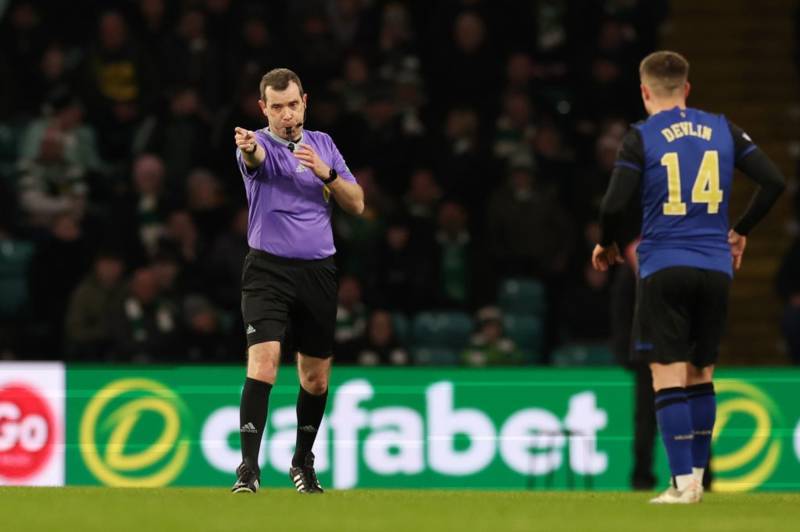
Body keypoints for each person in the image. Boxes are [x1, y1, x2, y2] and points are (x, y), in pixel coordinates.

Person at [592, 51, 785, 504]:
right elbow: (774, 181)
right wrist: (739, 232)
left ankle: (683, 485)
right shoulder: (723, 127)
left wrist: (608, 243)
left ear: (644, 92)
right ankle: (697, 478)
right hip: (716, 268)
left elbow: (613, 204)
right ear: (687, 88)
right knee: (701, 374)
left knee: (667, 377)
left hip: (664, 266)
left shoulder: (641, 136)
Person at [231, 68, 364, 494]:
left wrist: (326, 173)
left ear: (304, 100)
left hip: (318, 272)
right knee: (264, 362)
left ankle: (302, 462)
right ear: (263, 109)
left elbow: (357, 204)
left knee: (315, 379)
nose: (286, 115)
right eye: (277, 107)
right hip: (268, 270)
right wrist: (250, 149)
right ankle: (248, 470)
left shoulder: (323, 145)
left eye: (292, 105)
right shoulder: (257, 144)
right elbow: (255, 161)